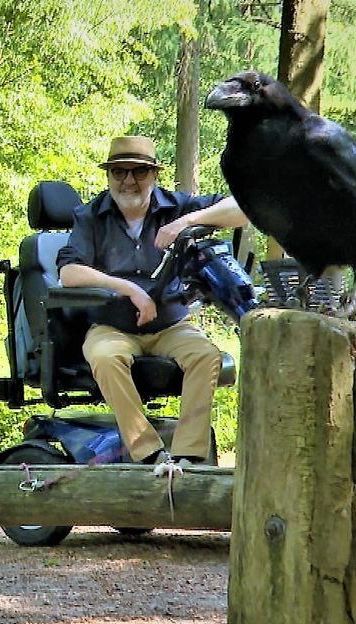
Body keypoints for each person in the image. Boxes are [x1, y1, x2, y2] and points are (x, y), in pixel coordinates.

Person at [55, 136, 249, 468]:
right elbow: (69, 273)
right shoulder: (90, 216)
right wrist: (128, 288)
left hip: (172, 325)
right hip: (112, 326)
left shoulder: (177, 206)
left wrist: (185, 223)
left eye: (139, 172)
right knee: (104, 356)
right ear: (108, 175)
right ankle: (149, 455)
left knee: (206, 355)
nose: (128, 181)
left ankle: (188, 457)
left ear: (154, 175)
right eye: (119, 172)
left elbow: (245, 208)